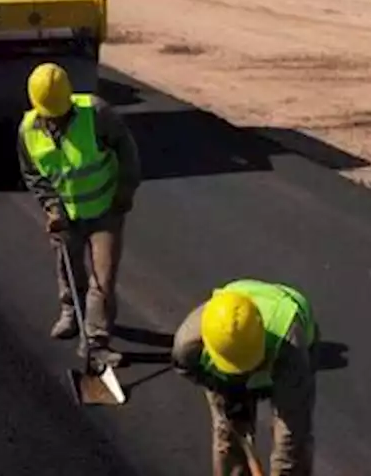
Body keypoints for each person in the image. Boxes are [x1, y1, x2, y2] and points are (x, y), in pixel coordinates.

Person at [17, 62, 141, 364]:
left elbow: (127, 151)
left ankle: (95, 342)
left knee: (103, 279)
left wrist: (124, 192)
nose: (56, 120)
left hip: (106, 210)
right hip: (67, 214)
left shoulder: (97, 114)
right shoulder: (28, 131)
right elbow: (33, 175)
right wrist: (52, 208)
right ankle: (71, 312)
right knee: (69, 267)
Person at [171, 279, 319, 476]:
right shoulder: (188, 344)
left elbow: (291, 429)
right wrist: (223, 390)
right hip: (226, 378)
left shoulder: (290, 344)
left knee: (294, 444)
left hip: (287, 348)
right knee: (228, 432)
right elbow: (188, 370)